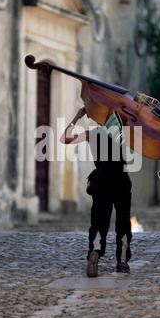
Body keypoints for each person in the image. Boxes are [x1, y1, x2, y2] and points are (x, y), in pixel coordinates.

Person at [60, 106, 133, 277]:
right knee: (123, 222)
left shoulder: (91, 134)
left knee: (99, 222)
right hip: (121, 181)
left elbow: (65, 139)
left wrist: (77, 116)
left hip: (101, 182)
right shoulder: (125, 134)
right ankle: (122, 261)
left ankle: (95, 252)